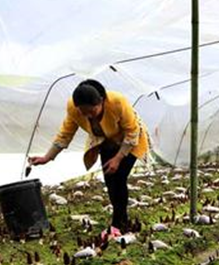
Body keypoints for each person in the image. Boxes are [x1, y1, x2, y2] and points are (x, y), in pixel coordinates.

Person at [29, 79, 149, 233]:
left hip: (130, 142)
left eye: (92, 111)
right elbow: (65, 134)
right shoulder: (73, 108)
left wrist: (118, 158)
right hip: (105, 142)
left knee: (119, 177)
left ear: (101, 101)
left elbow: (132, 132)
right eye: (83, 112)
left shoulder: (118, 102)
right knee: (110, 180)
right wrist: (47, 157)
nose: (89, 116)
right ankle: (121, 219)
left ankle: (118, 223)